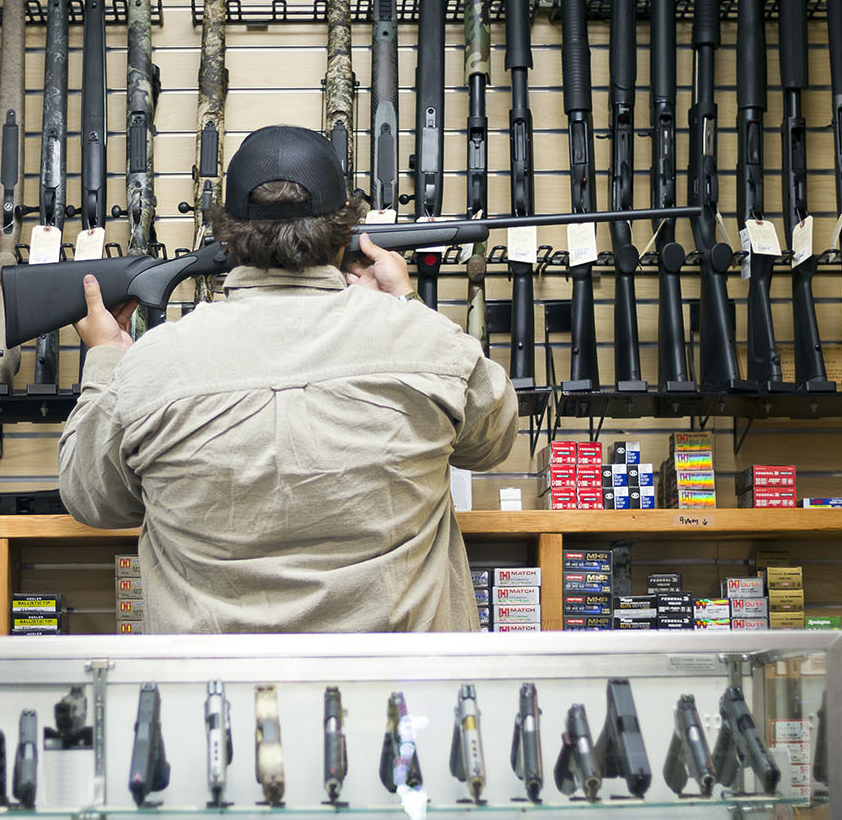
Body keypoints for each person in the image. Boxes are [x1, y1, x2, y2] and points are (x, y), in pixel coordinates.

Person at [58, 124, 517, 633]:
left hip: (208, 701)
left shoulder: (150, 364)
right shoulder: (425, 343)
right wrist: (404, 306)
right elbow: (492, 443)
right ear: (346, 230)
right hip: (403, 700)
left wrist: (105, 358)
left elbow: (94, 500)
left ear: (226, 233)